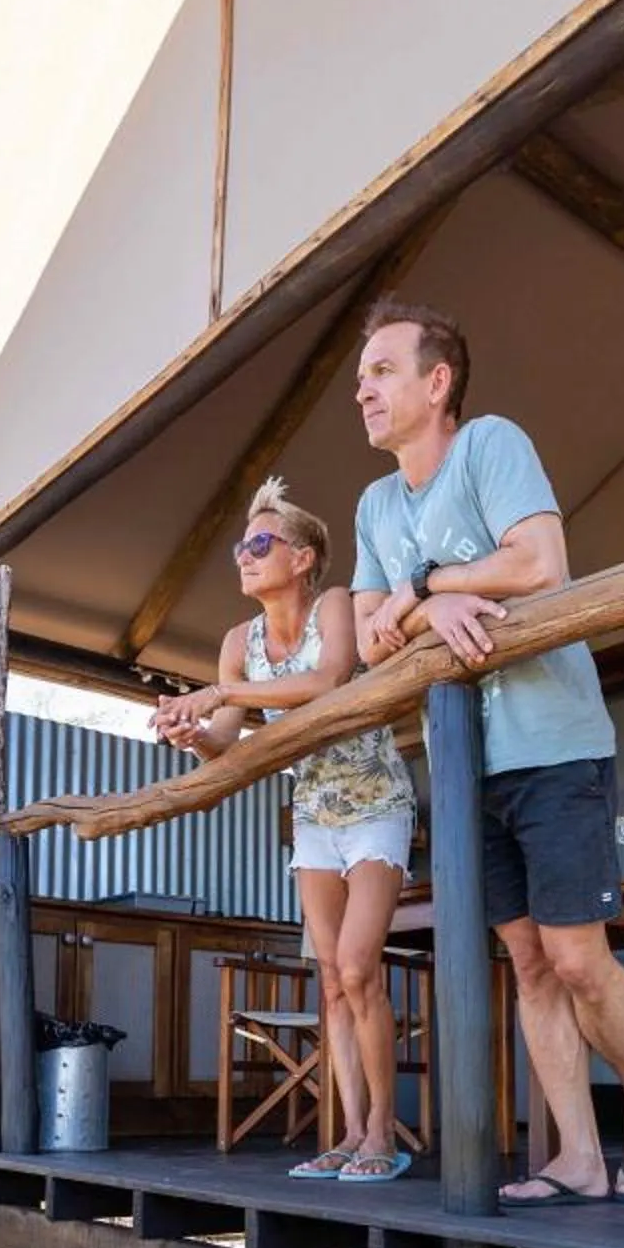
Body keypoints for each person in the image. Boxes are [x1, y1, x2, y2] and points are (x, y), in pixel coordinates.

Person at [349, 300, 624, 1204]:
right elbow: (373, 640)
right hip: (464, 769)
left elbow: (539, 565)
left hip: (554, 745)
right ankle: (577, 1157)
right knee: (526, 962)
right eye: (361, 379)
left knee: (576, 957)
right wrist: (431, 608)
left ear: (437, 381)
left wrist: (423, 585)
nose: (364, 392)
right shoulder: (376, 502)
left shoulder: (489, 444)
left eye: (381, 371)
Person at [154, 476, 421, 1183]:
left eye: (262, 542)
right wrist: (193, 732)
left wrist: (222, 694)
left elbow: (330, 679)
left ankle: (381, 1139)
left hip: (375, 804)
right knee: (332, 979)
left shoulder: (334, 604)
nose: (245, 554)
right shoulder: (237, 643)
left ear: (303, 557)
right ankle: (350, 1132)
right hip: (312, 814)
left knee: (362, 966)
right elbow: (229, 747)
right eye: (242, 545)